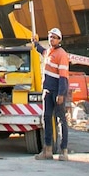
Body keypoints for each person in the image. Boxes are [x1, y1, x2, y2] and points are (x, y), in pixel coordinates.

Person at [31, 27, 70, 161]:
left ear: (59, 40)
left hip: (57, 91)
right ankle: (47, 150)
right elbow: (42, 51)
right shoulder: (48, 52)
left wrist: (61, 94)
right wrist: (35, 43)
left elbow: (63, 76)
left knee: (61, 120)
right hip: (47, 91)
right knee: (47, 119)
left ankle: (63, 151)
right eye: (50, 37)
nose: (51, 39)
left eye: (54, 37)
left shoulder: (61, 55)